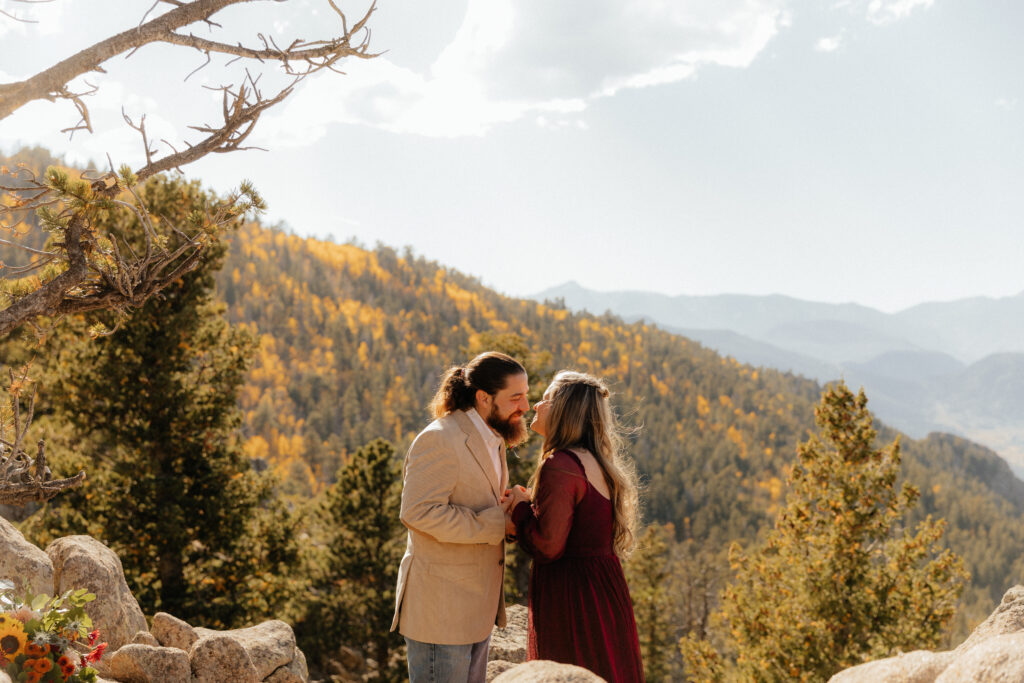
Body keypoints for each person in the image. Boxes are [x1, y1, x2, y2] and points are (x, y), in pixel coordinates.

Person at [391, 351, 531, 683]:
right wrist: (500, 523)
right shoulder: (439, 438)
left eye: (526, 395)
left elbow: (478, 504)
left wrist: (511, 508)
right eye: (516, 397)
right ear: (484, 398)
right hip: (441, 614)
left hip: (476, 612)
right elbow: (418, 512)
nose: (525, 406)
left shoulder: (492, 439)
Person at [503, 370, 644, 682]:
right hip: (604, 590)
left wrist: (520, 507)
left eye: (546, 399)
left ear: (564, 410)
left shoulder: (561, 465)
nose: (536, 405)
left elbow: (548, 546)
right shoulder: (594, 460)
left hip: (573, 597)